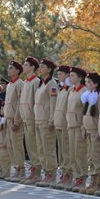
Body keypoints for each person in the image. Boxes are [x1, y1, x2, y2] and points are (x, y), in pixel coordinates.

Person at [35, 59, 59, 187]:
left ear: (49, 69)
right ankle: (46, 172)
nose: (40, 69)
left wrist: (52, 120)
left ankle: (51, 173)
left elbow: (53, 103)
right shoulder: (41, 84)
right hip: (39, 119)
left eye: (42, 67)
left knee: (48, 148)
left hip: (46, 120)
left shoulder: (52, 83)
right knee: (41, 148)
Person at [80, 72, 100, 195]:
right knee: (90, 158)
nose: (87, 84)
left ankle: (98, 182)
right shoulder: (87, 96)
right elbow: (85, 115)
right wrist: (83, 128)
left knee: (97, 158)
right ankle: (92, 181)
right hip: (88, 131)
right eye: (86, 82)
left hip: (95, 132)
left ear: (96, 84)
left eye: (89, 82)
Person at [19, 56, 42, 185]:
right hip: (25, 118)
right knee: (29, 145)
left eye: (26, 65)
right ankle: (32, 170)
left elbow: (35, 101)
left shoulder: (35, 82)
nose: (24, 67)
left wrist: (33, 116)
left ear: (33, 67)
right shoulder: (26, 82)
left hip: (32, 118)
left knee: (34, 145)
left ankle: (37, 172)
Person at [66, 67, 88, 191]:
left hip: (79, 125)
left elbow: (85, 111)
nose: (70, 78)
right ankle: (76, 175)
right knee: (73, 153)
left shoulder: (84, 91)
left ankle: (82, 176)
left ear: (80, 77)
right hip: (71, 124)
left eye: (73, 75)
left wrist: (84, 126)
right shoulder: (72, 90)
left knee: (80, 153)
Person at [4, 60, 25, 182]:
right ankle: (15, 167)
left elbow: (19, 104)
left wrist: (17, 121)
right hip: (8, 117)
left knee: (17, 145)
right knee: (11, 145)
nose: (8, 70)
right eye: (8, 68)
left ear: (18, 71)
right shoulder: (10, 84)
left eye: (11, 68)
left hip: (15, 119)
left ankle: (20, 169)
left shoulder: (19, 84)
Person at [52, 65, 72, 189]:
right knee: (61, 152)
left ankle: (68, 174)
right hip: (58, 123)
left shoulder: (69, 89)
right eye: (58, 74)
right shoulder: (62, 89)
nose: (59, 76)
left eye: (61, 74)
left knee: (66, 151)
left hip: (65, 124)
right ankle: (64, 173)